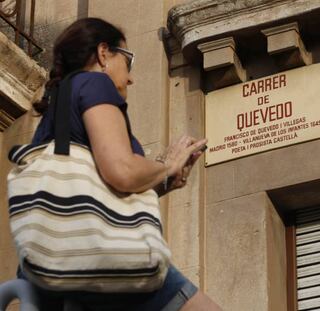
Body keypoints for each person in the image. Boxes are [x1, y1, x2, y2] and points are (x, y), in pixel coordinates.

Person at [21, 17, 221, 311]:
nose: (130, 77)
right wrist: (166, 165)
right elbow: (121, 172)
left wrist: (160, 180)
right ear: (103, 53)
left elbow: (92, 191)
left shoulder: (56, 108)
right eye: (127, 61)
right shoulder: (94, 82)